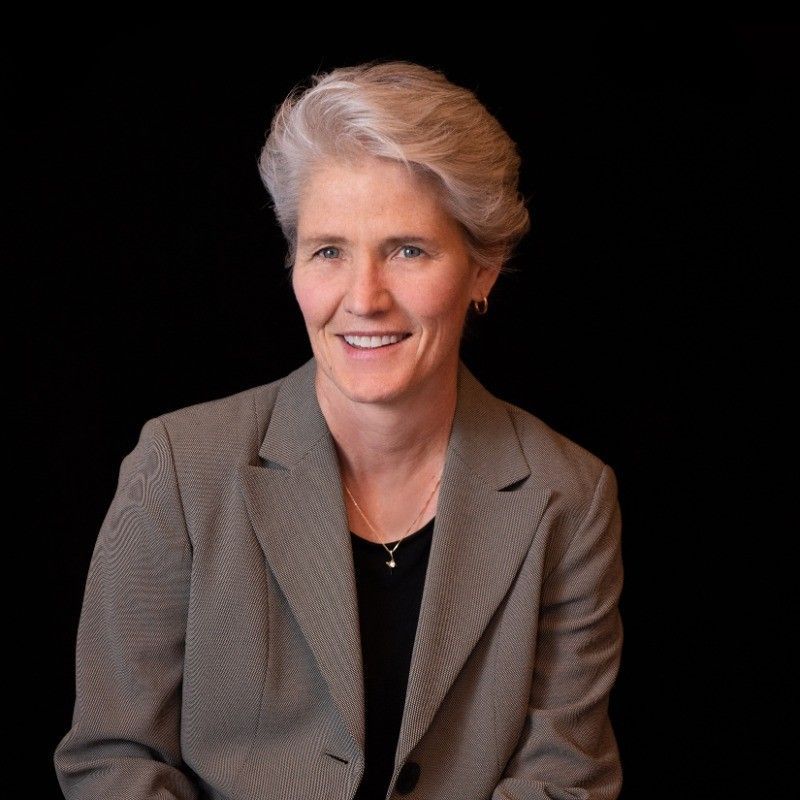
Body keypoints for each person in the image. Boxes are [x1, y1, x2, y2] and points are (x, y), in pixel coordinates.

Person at [53, 60, 624, 800]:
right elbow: (113, 761)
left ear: (483, 270)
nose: (364, 298)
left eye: (407, 250)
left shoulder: (570, 496)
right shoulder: (178, 467)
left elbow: (565, 780)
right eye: (329, 251)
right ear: (294, 265)